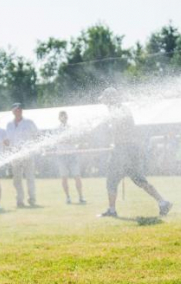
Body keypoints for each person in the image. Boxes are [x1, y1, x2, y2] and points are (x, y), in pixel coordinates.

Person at [98, 87, 172, 218]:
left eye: (105, 99)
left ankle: (112, 210)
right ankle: (162, 202)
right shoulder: (121, 109)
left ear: (110, 99)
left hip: (123, 150)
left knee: (111, 180)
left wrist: (116, 145)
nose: (104, 103)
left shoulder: (118, 111)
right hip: (129, 149)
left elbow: (122, 131)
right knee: (139, 179)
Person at [6, 103, 38, 207]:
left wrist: (31, 148)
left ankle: (32, 199)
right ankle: (19, 200)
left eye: (20, 109)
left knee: (30, 178)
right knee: (17, 179)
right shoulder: (9, 125)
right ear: (13, 112)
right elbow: (8, 141)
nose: (18, 111)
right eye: (16, 110)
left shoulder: (29, 122)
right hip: (15, 155)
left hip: (27, 154)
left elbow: (37, 136)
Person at [56, 111, 85, 204]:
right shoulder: (57, 129)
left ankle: (81, 197)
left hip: (72, 155)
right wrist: (66, 140)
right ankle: (68, 197)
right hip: (61, 156)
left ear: (67, 117)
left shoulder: (71, 128)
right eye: (61, 116)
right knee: (64, 177)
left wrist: (69, 140)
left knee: (77, 176)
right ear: (59, 118)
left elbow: (75, 139)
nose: (63, 118)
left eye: (65, 116)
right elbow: (59, 140)